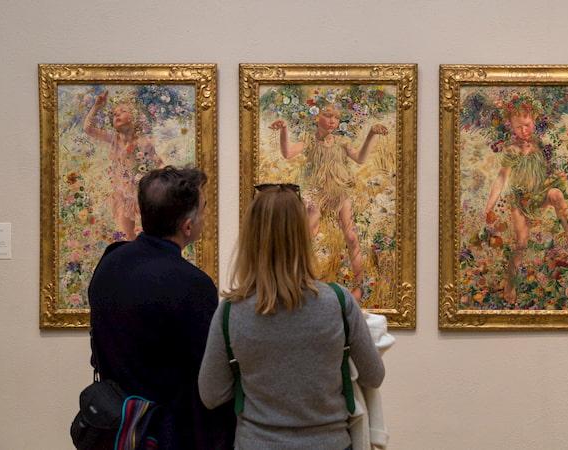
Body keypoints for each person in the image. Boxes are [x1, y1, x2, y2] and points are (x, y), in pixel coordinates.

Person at [199, 183, 385, 449]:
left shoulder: (231, 311)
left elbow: (211, 394)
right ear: (303, 235)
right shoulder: (339, 302)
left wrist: (253, 383)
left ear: (251, 237)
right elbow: (373, 376)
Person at [88, 166, 235, 449]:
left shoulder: (110, 260)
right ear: (187, 226)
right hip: (167, 434)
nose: (206, 216)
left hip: (116, 426)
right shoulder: (193, 284)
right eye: (204, 208)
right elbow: (209, 375)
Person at [269, 104, 388, 300]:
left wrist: (371, 134)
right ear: (317, 118)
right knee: (308, 231)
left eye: (335, 117)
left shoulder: (342, 142)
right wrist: (283, 129)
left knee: (351, 236)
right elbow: (288, 154)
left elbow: (360, 158)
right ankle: (295, 280)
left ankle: (358, 285)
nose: (332, 120)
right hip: (316, 191)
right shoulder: (309, 140)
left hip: (339, 191)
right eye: (327, 116)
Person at [482, 102, 568, 303]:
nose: (523, 130)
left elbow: (551, 167)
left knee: (556, 193)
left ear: (534, 122)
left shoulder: (541, 145)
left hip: (541, 194)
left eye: (527, 125)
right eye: (518, 127)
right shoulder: (512, 150)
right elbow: (501, 178)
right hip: (521, 201)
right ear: (511, 128)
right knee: (521, 243)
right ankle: (510, 287)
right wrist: (490, 204)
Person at [83, 90, 164, 240]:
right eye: (114, 114)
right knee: (128, 236)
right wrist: (96, 106)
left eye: (122, 111)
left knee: (150, 232)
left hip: (141, 195)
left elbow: (159, 163)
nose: (117, 115)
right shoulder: (113, 138)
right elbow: (88, 129)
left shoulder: (143, 142)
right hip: (121, 196)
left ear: (134, 118)